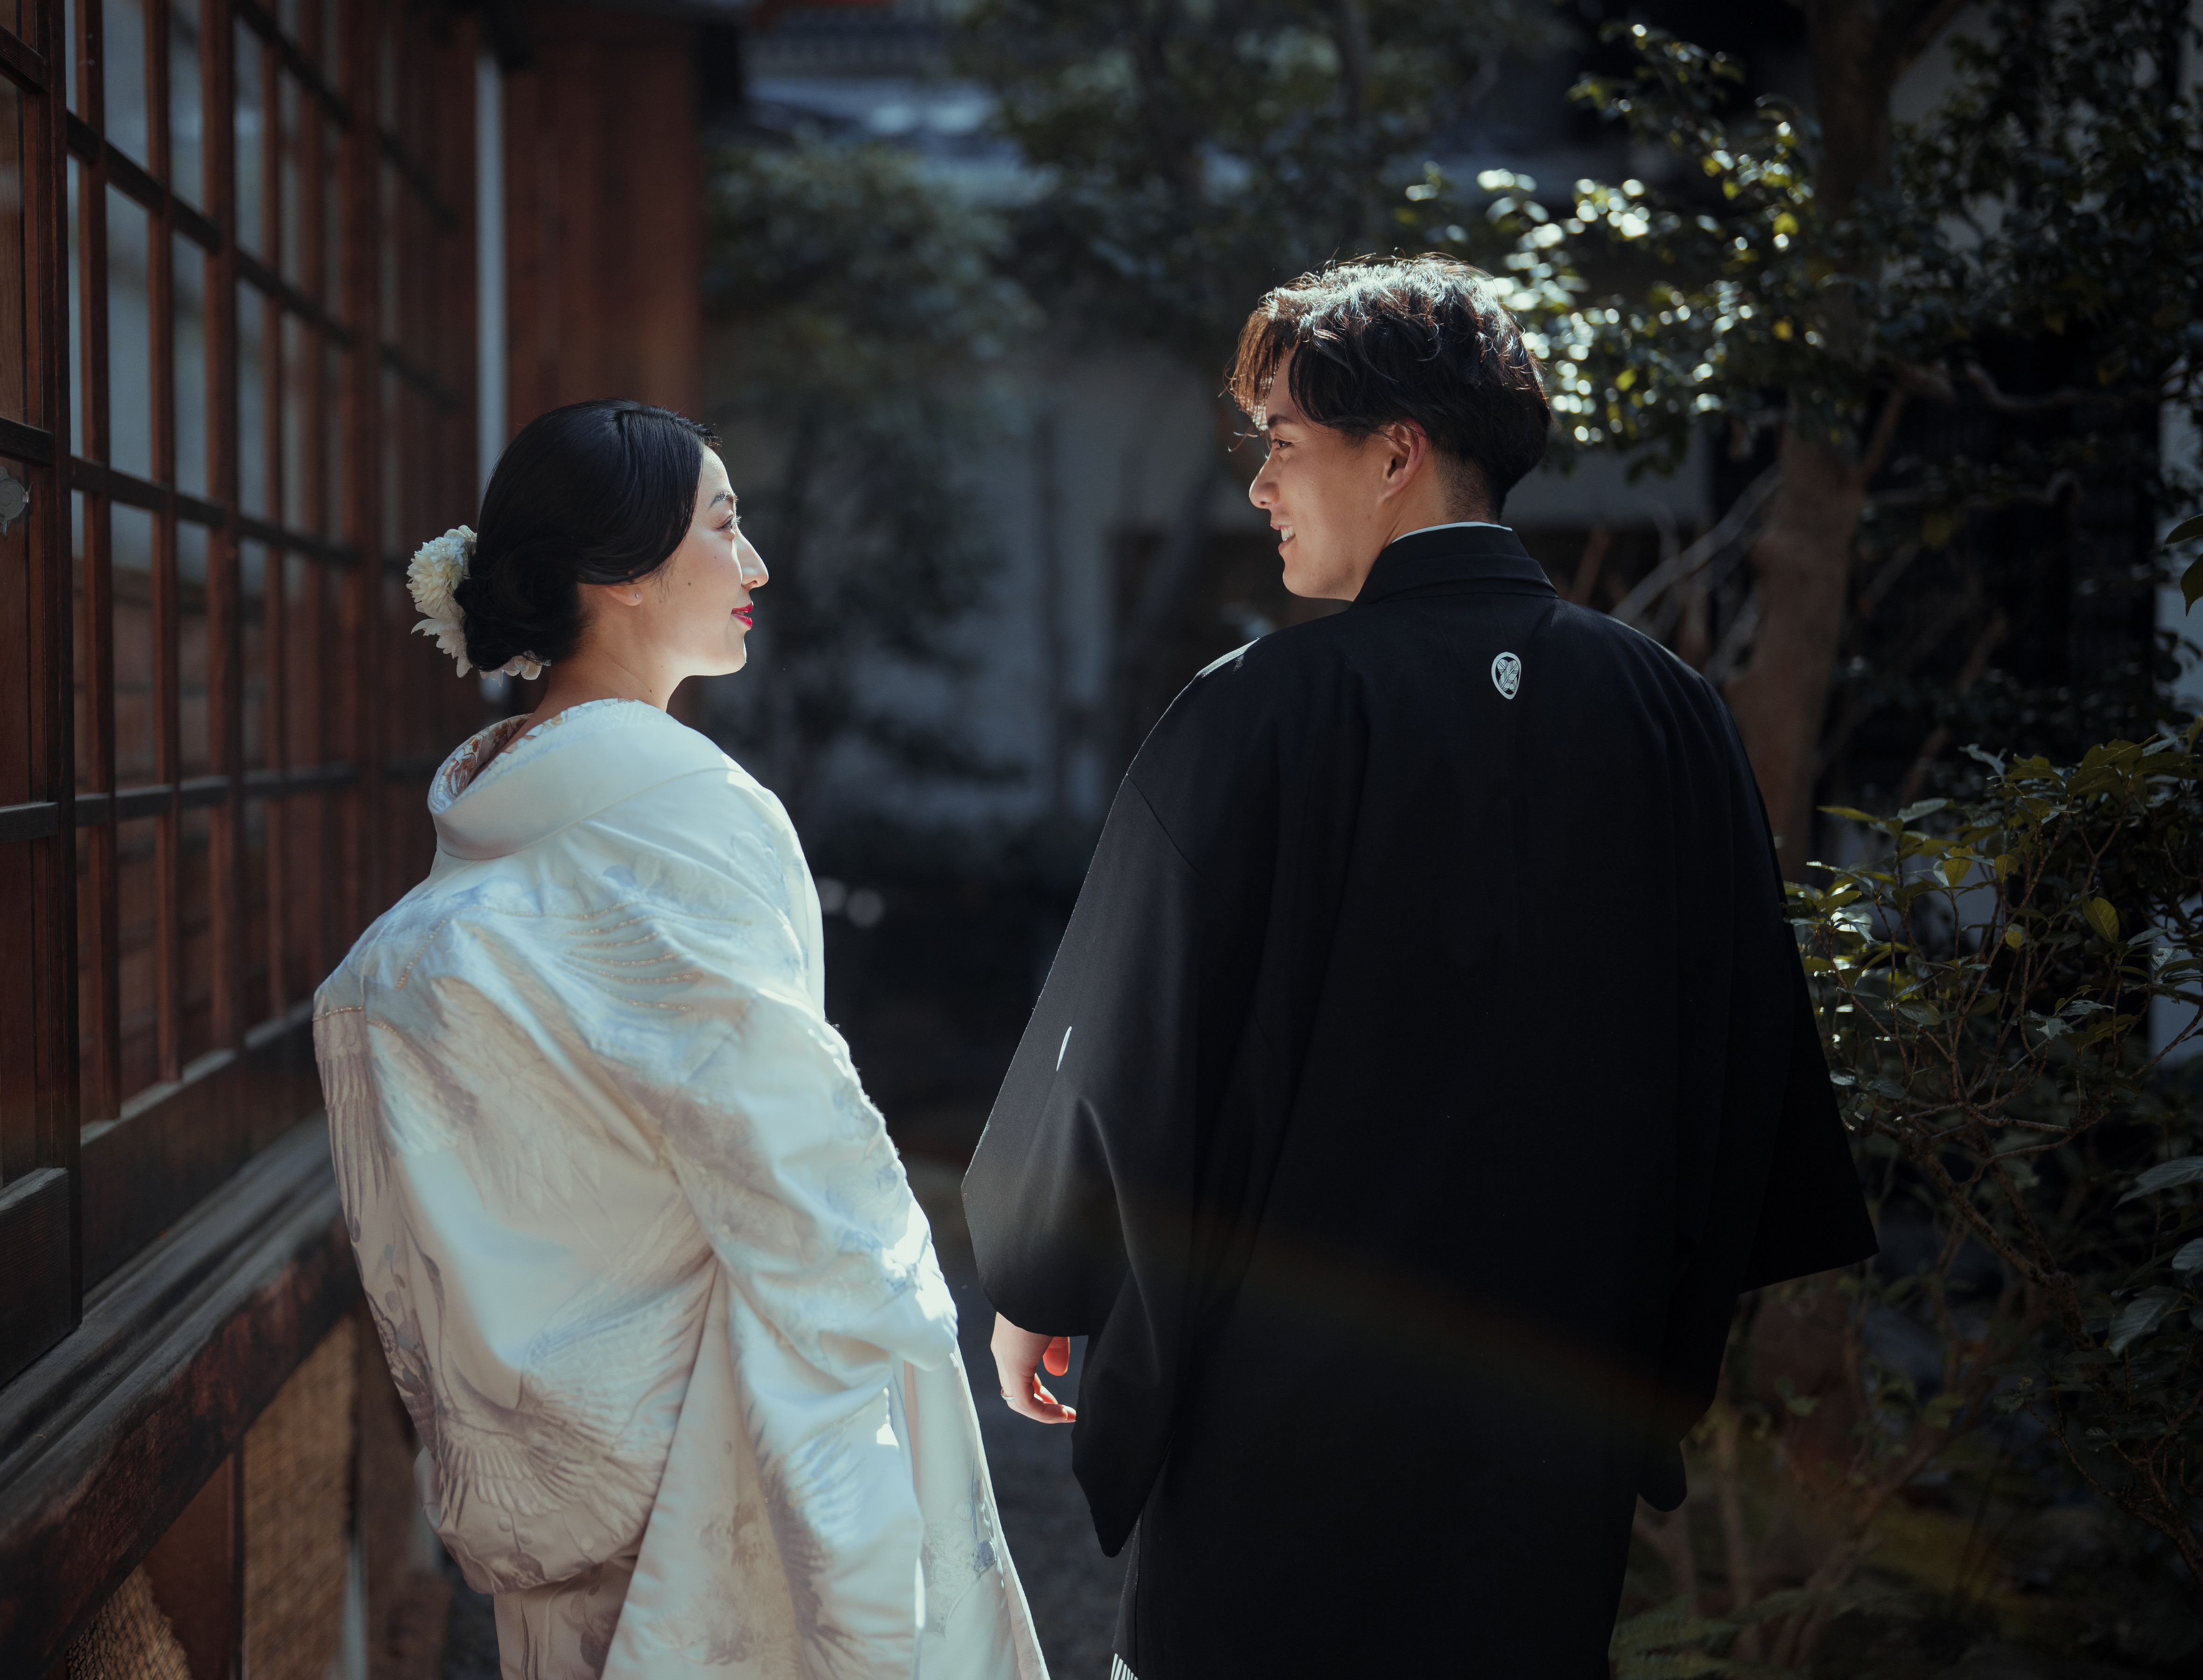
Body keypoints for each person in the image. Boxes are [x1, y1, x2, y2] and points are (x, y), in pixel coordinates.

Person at [962, 256, 1877, 1676]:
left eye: (1282, 445)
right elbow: (1741, 1065)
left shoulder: (1256, 715)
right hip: (1551, 1409)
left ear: (1397, 455)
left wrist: (1043, 1277)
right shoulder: (1669, 716)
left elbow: (1124, 1039)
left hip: (1285, 1408)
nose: (1259, 488)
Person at [316, 400, 1048, 1680]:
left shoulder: (464, 850)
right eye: (724, 523)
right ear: (618, 574)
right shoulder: (691, 812)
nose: (755, 563)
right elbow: (795, 1163)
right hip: (714, 1464)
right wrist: (904, 1355)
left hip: (556, 1444)